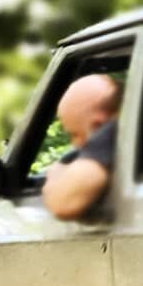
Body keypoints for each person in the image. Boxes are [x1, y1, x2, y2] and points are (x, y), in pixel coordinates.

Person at [43, 74, 120, 220]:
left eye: (75, 134)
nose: (75, 145)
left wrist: (56, 174)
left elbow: (64, 202)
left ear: (99, 125)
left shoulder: (114, 129)